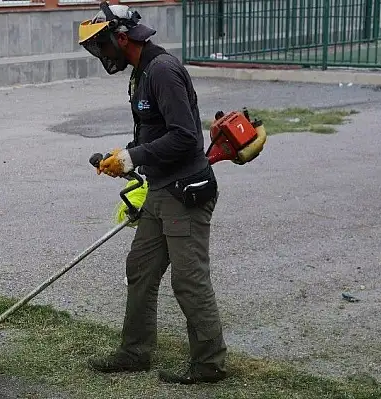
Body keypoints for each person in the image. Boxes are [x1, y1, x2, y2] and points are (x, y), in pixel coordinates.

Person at [77, 2, 228, 384]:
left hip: (185, 192)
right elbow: (152, 132)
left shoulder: (162, 71)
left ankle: (209, 364)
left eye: (102, 45)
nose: (101, 54)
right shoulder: (140, 72)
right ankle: (134, 352)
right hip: (160, 189)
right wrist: (122, 156)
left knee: (189, 279)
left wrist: (132, 158)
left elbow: (184, 137)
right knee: (141, 267)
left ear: (122, 38)